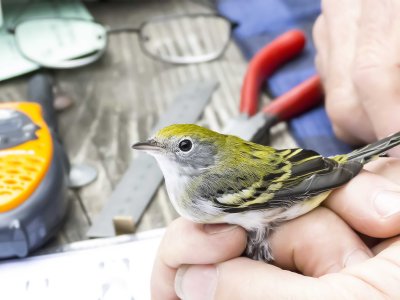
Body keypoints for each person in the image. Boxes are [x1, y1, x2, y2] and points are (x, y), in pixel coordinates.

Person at [151, 0, 400, 298]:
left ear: (207, 151)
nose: (161, 150)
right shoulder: (191, 189)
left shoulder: (206, 188)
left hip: (299, 184)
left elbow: (284, 191)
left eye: (183, 146)